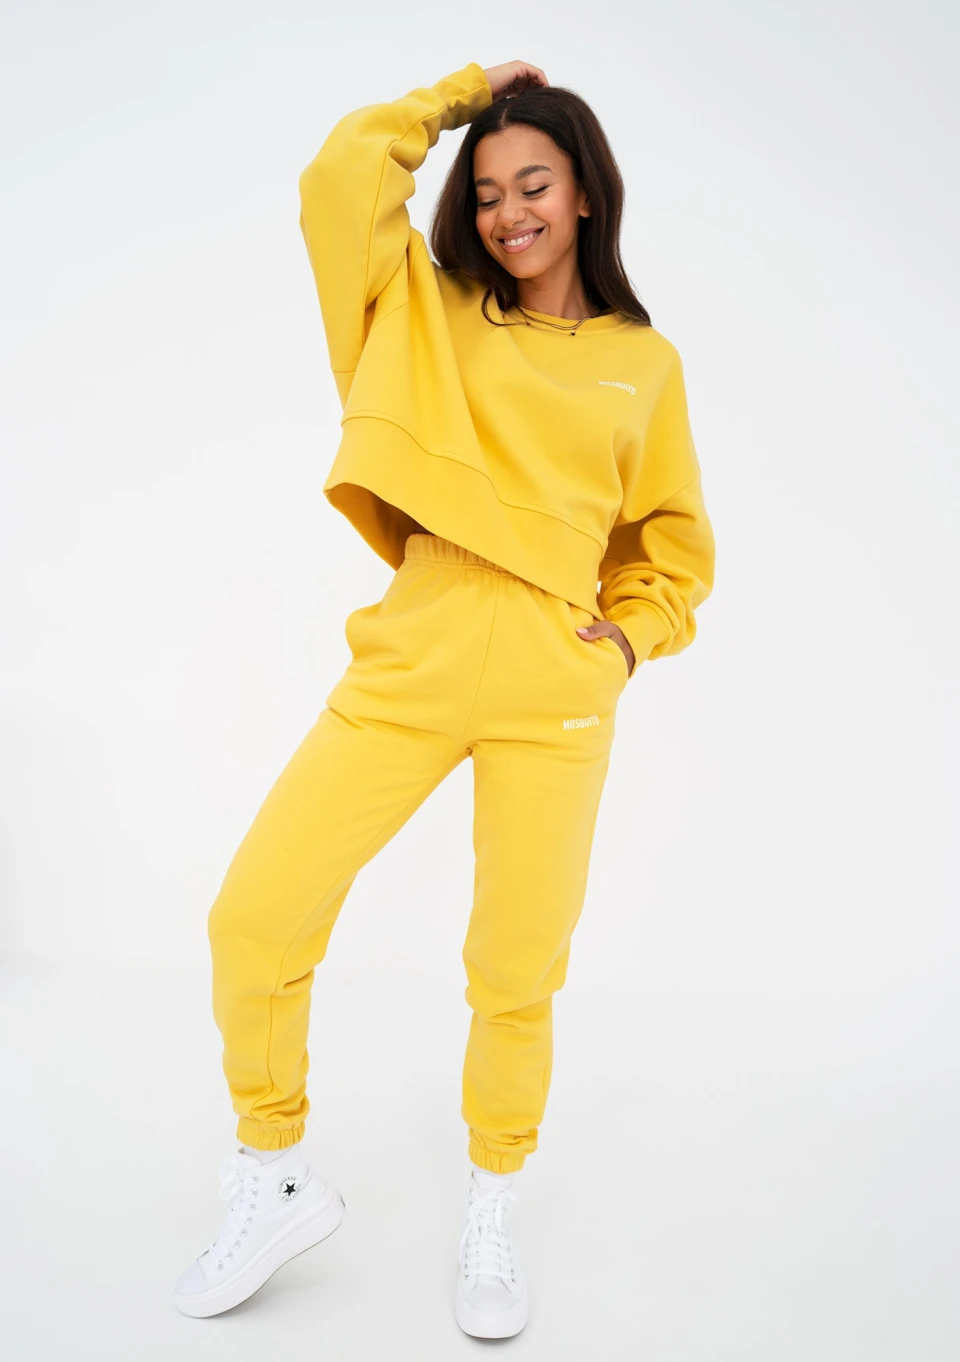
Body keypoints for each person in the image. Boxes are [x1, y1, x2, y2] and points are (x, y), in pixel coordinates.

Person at [173, 57, 715, 1339]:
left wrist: (626, 644)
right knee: (256, 916)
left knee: (514, 968)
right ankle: (274, 1170)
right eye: (487, 192)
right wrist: (460, 96)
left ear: (586, 195)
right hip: (414, 649)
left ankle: (494, 1197)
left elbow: (673, 547)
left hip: (554, 683)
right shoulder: (430, 311)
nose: (509, 212)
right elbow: (338, 178)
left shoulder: (644, 364)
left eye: (536, 185)